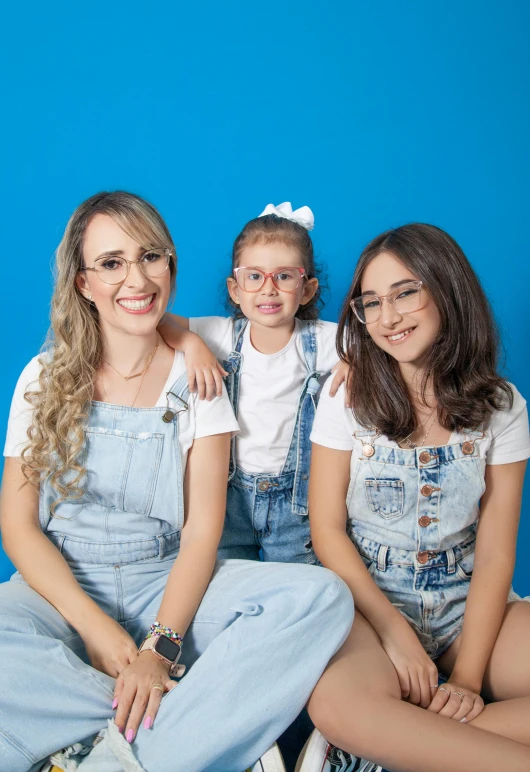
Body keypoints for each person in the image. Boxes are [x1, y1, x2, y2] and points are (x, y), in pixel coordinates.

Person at [0, 191, 354, 772]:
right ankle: (176, 731)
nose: (135, 278)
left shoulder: (200, 379)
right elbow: (18, 528)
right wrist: (103, 636)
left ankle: (96, 753)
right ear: (83, 282)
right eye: (111, 263)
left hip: (166, 584)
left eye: (151, 256)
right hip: (56, 589)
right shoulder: (43, 376)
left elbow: (201, 534)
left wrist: (159, 649)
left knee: (321, 598)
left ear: (171, 267)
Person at [299, 223, 530, 772]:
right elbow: (326, 530)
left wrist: (469, 681)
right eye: (371, 303)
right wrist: (395, 633)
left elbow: (497, 554)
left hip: (466, 603)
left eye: (406, 292)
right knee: (337, 705)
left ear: (446, 289)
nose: (389, 318)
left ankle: (393, 750)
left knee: (376, 722)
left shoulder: (503, 406)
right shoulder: (346, 395)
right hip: (366, 606)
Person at [160, 202, 347, 566]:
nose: (268, 289)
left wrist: (356, 364)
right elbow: (160, 321)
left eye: (285, 276)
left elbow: (379, 347)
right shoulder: (223, 334)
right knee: (223, 585)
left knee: (298, 594)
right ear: (235, 288)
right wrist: (191, 343)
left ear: (306, 290)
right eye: (254, 276)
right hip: (228, 498)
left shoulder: (324, 340)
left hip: (296, 504)